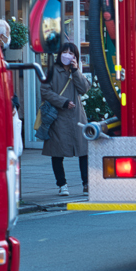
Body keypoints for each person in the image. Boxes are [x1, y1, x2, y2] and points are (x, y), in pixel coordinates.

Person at [40, 42, 89, 196]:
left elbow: (84, 88)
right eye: (65, 52)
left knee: (84, 151)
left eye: (71, 53)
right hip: (58, 117)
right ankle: (62, 184)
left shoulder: (76, 71)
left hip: (77, 117)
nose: (67, 55)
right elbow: (45, 91)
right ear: (59, 53)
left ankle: (86, 183)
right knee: (57, 152)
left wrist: (75, 71)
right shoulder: (52, 70)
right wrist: (63, 102)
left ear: (76, 57)